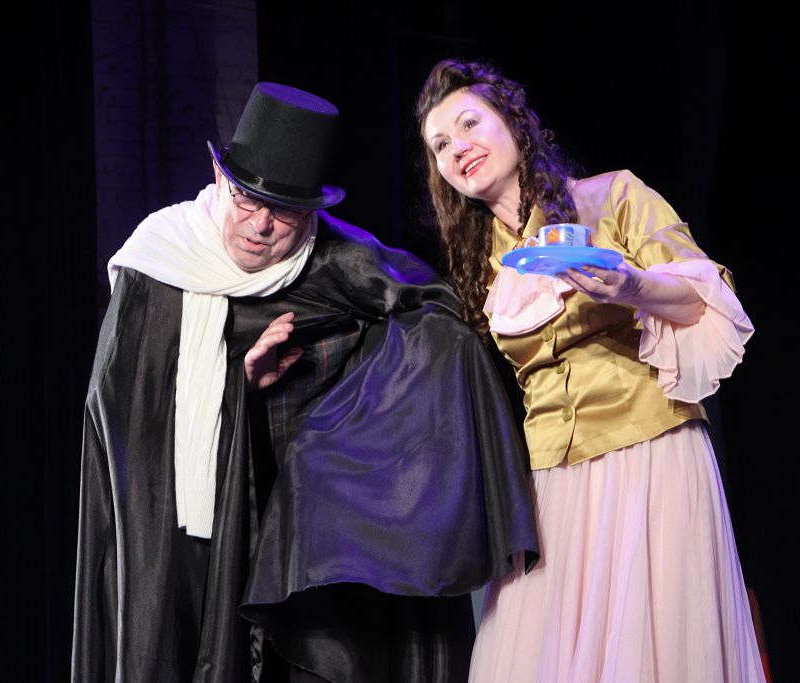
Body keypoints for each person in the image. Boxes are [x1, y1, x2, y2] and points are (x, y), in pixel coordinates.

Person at [72, 82, 539, 682]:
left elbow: (437, 319)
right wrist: (236, 382)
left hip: (292, 538)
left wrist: (337, 436)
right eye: (247, 200)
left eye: (285, 212)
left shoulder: (332, 259)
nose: (261, 226)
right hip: (176, 537)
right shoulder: (159, 263)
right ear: (219, 179)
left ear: (312, 214)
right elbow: (123, 420)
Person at [416, 59, 764, 682]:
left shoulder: (611, 197)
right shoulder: (479, 260)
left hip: (648, 452)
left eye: (469, 124)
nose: (457, 148)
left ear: (514, 124)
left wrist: (633, 286)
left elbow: (705, 297)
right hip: (550, 480)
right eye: (440, 144)